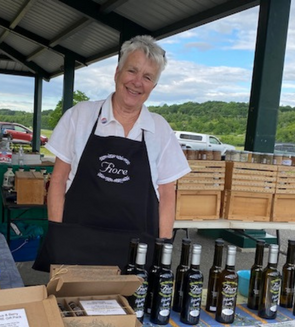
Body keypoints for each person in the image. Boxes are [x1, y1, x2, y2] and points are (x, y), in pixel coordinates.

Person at [33, 35, 190, 272]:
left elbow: (168, 194)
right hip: (77, 244)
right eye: (132, 71)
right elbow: (58, 180)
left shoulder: (160, 129)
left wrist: (163, 247)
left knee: (132, 310)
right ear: (117, 72)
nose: (137, 82)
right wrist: (57, 234)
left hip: (137, 251)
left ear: (154, 86)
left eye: (147, 77)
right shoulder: (80, 116)